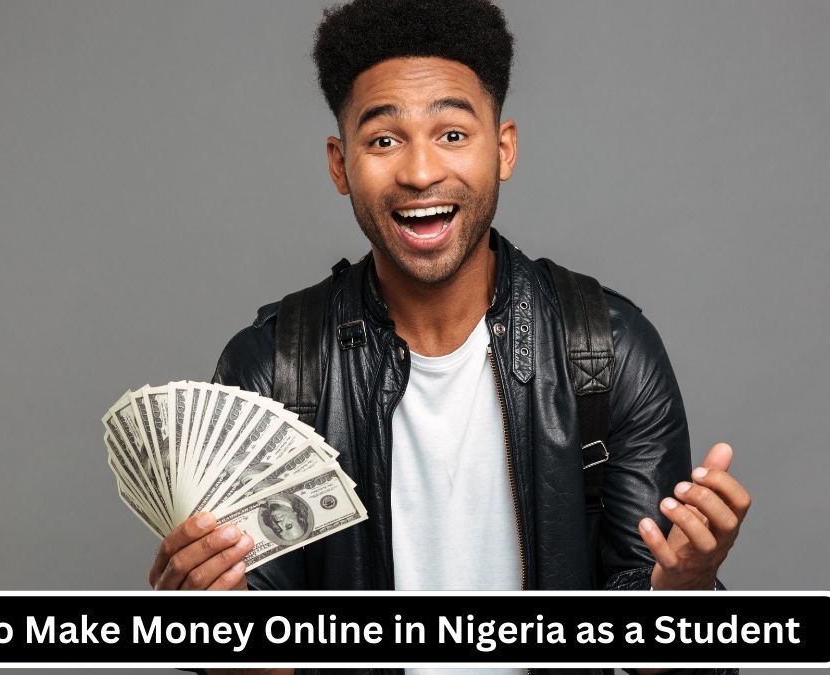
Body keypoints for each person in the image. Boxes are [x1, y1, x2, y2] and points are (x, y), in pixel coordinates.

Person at [148, 0, 751, 672]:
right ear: (340, 163)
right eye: (383, 140)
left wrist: (685, 594)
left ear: (504, 148)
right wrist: (216, 636)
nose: (420, 171)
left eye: (453, 135)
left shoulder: (605, 352)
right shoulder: (272, 372)